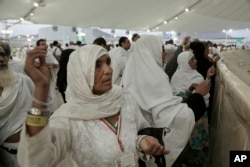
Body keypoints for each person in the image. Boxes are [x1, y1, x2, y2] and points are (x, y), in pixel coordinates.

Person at [18, 45, 169, 167]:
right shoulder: (68, 118)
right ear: (81, 74)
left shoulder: (124, 99)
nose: (108, 70)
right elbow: (35, 161)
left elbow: (135, 132)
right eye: (97, 65)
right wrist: (41, 89)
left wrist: (141, 140)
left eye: (108, 62)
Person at [122, 35, 210, 166]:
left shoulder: (132, 75)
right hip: (152, 144)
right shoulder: (152, 78)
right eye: (161, 49)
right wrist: (197, 96)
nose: (163, 54)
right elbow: (170, 117)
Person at [0, 46, 34, 167]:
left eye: (3, 55)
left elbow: (39, 108)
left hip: (26, 149)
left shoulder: (22, 81)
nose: (1, 59)